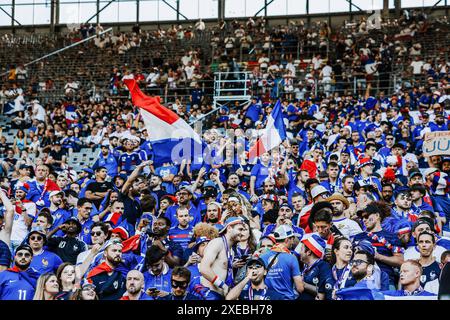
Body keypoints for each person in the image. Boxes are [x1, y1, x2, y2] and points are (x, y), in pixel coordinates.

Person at [354, 202, 404, 288]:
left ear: (377, 216)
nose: (364, 220)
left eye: (366, 216)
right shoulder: (358, 237)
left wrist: (377, 256)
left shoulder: (391, 236)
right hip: (361, 281)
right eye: (362, 218)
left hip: (385, 281)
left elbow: (400, 261)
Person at [199, 216, 246, 300]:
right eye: (240, 229)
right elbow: (203, 268)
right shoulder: (217, 242)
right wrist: (223, 286)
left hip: (220, 295)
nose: (242, 233)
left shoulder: (231, 250)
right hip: (209, 294)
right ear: (229, 228)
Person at [260, 225, 304, 300]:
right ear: (287, 240)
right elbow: (300, 288)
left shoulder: (262, 257)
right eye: (292, 238)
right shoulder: (291, 258)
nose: (293, 242)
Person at [297, 233, 334, 300]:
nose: (299, 252)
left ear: (308, 252)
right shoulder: (305, 267)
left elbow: (326, 291)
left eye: (301, 249)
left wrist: (304, 285)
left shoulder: (323, 267)